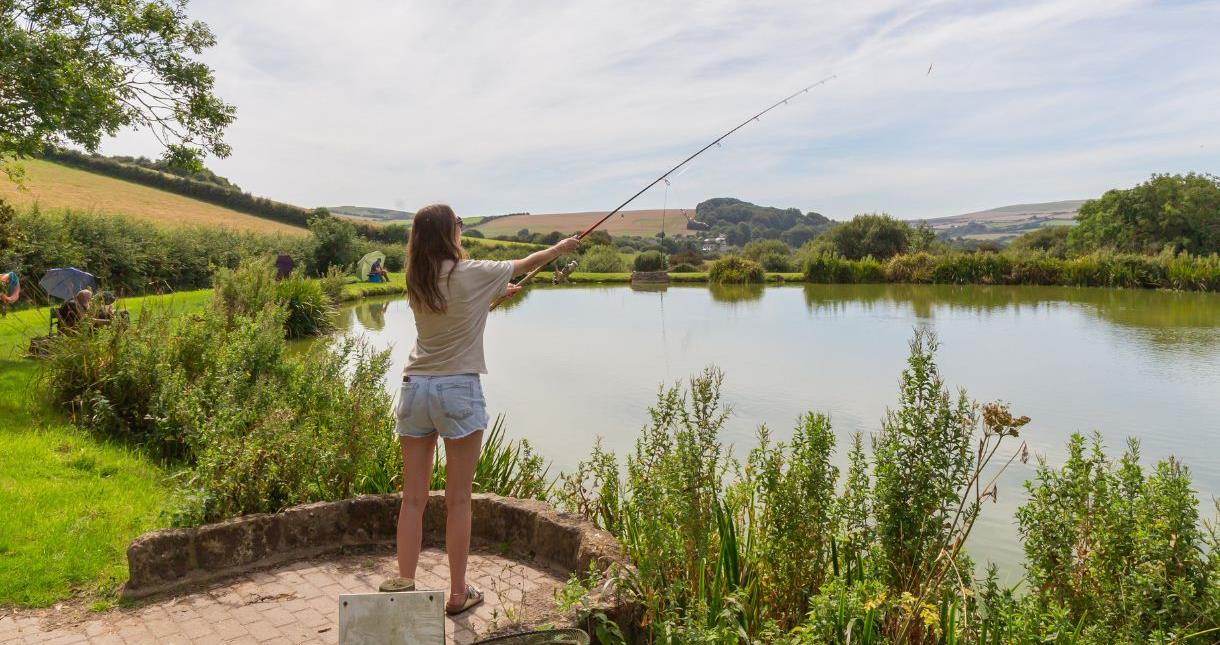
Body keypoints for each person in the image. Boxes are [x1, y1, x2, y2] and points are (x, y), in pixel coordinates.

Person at [380, 204, 579, 615]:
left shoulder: (416, 278)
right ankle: (457, 594)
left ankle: (404, 587)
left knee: (412, 499)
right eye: (459, 224)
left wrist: (495, 297)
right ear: (448, 232)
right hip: (457, 388)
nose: (461, 230)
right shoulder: (471, 273)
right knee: (458, 500)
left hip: (414, 387)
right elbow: (527, 262)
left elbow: (451, 317)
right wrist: (560, 247)